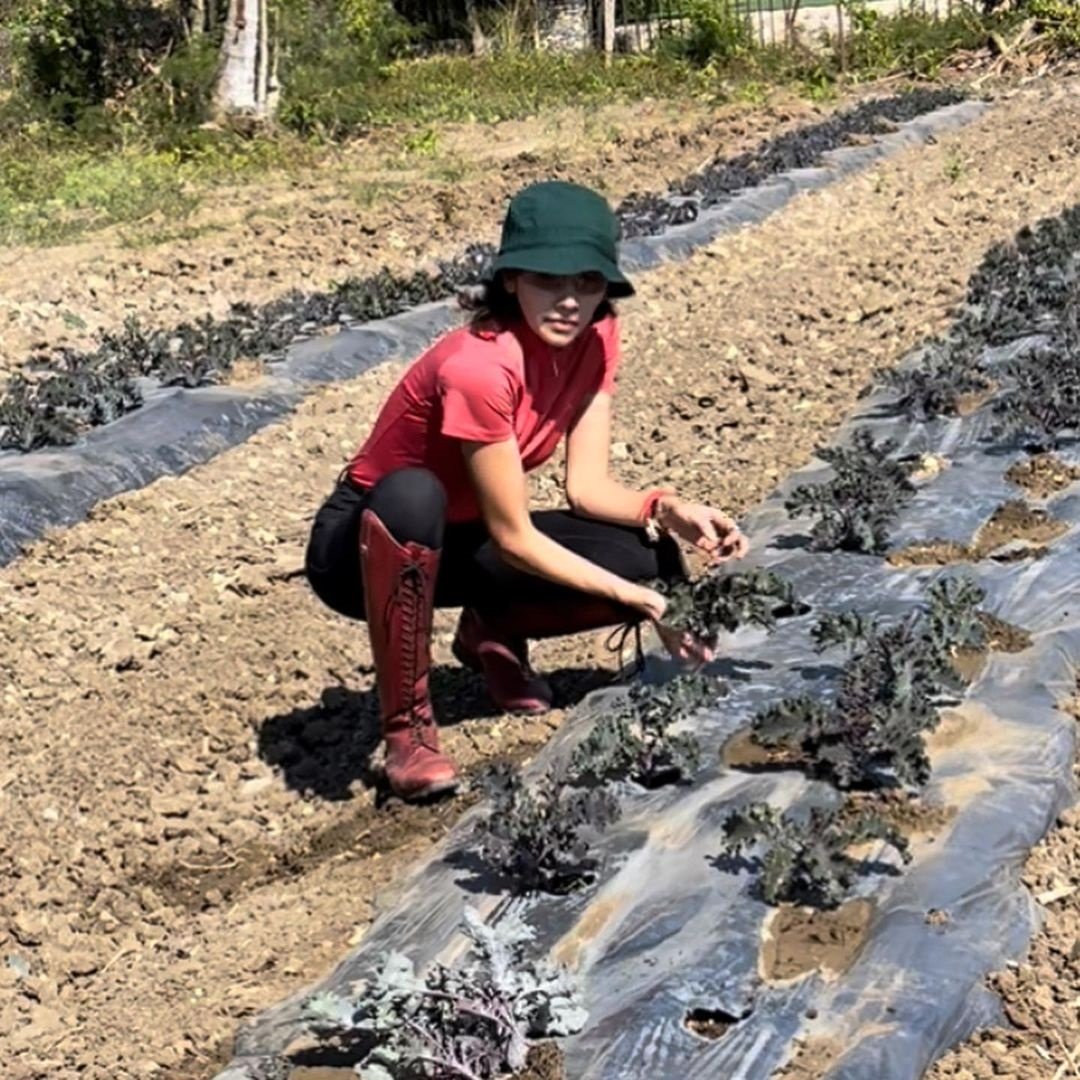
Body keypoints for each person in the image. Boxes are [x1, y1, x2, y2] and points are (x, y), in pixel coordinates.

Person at [305, 180, 748, 801]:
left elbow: (588, 490)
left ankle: (490, 630)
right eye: (549, 279)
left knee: (649, 559)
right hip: (366, 546)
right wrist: (640, 602)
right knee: (415, 494)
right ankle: (407, 730)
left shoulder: (597, 337)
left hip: (469, 534)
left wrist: (666, 508)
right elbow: (514, 537)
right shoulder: (479, 367)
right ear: (511, 279)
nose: (570, 301)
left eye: (589, 283)